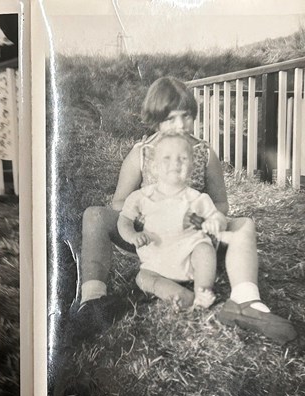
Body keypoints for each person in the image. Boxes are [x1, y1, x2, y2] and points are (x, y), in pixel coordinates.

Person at [76, 76, 296, 344]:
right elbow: (119, 202)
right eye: (170, 119)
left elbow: (221, 203)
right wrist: (144, 216)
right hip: (151, 238)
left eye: (186, 117)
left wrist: (205, 220)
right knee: (94, 215)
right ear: (155, 120)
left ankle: (245, 299)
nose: (179, 126)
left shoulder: (204, 153)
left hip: (193, 237)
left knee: (244, 225)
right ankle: (93, 298)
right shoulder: (142, 153)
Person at [118, 131, 225, 309]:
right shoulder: (141, 197)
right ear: (154, 167)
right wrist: (131, 236)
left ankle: (202, 291)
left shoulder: (196, 198)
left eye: (183, 158)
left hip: (189, 256)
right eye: (166, 158)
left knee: (204, 250)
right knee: (143, 278)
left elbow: (216, 216)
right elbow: (124, 220)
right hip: (156, 262)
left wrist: (216, 222)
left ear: (191, 167)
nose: (175, 163)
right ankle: (179, 295)